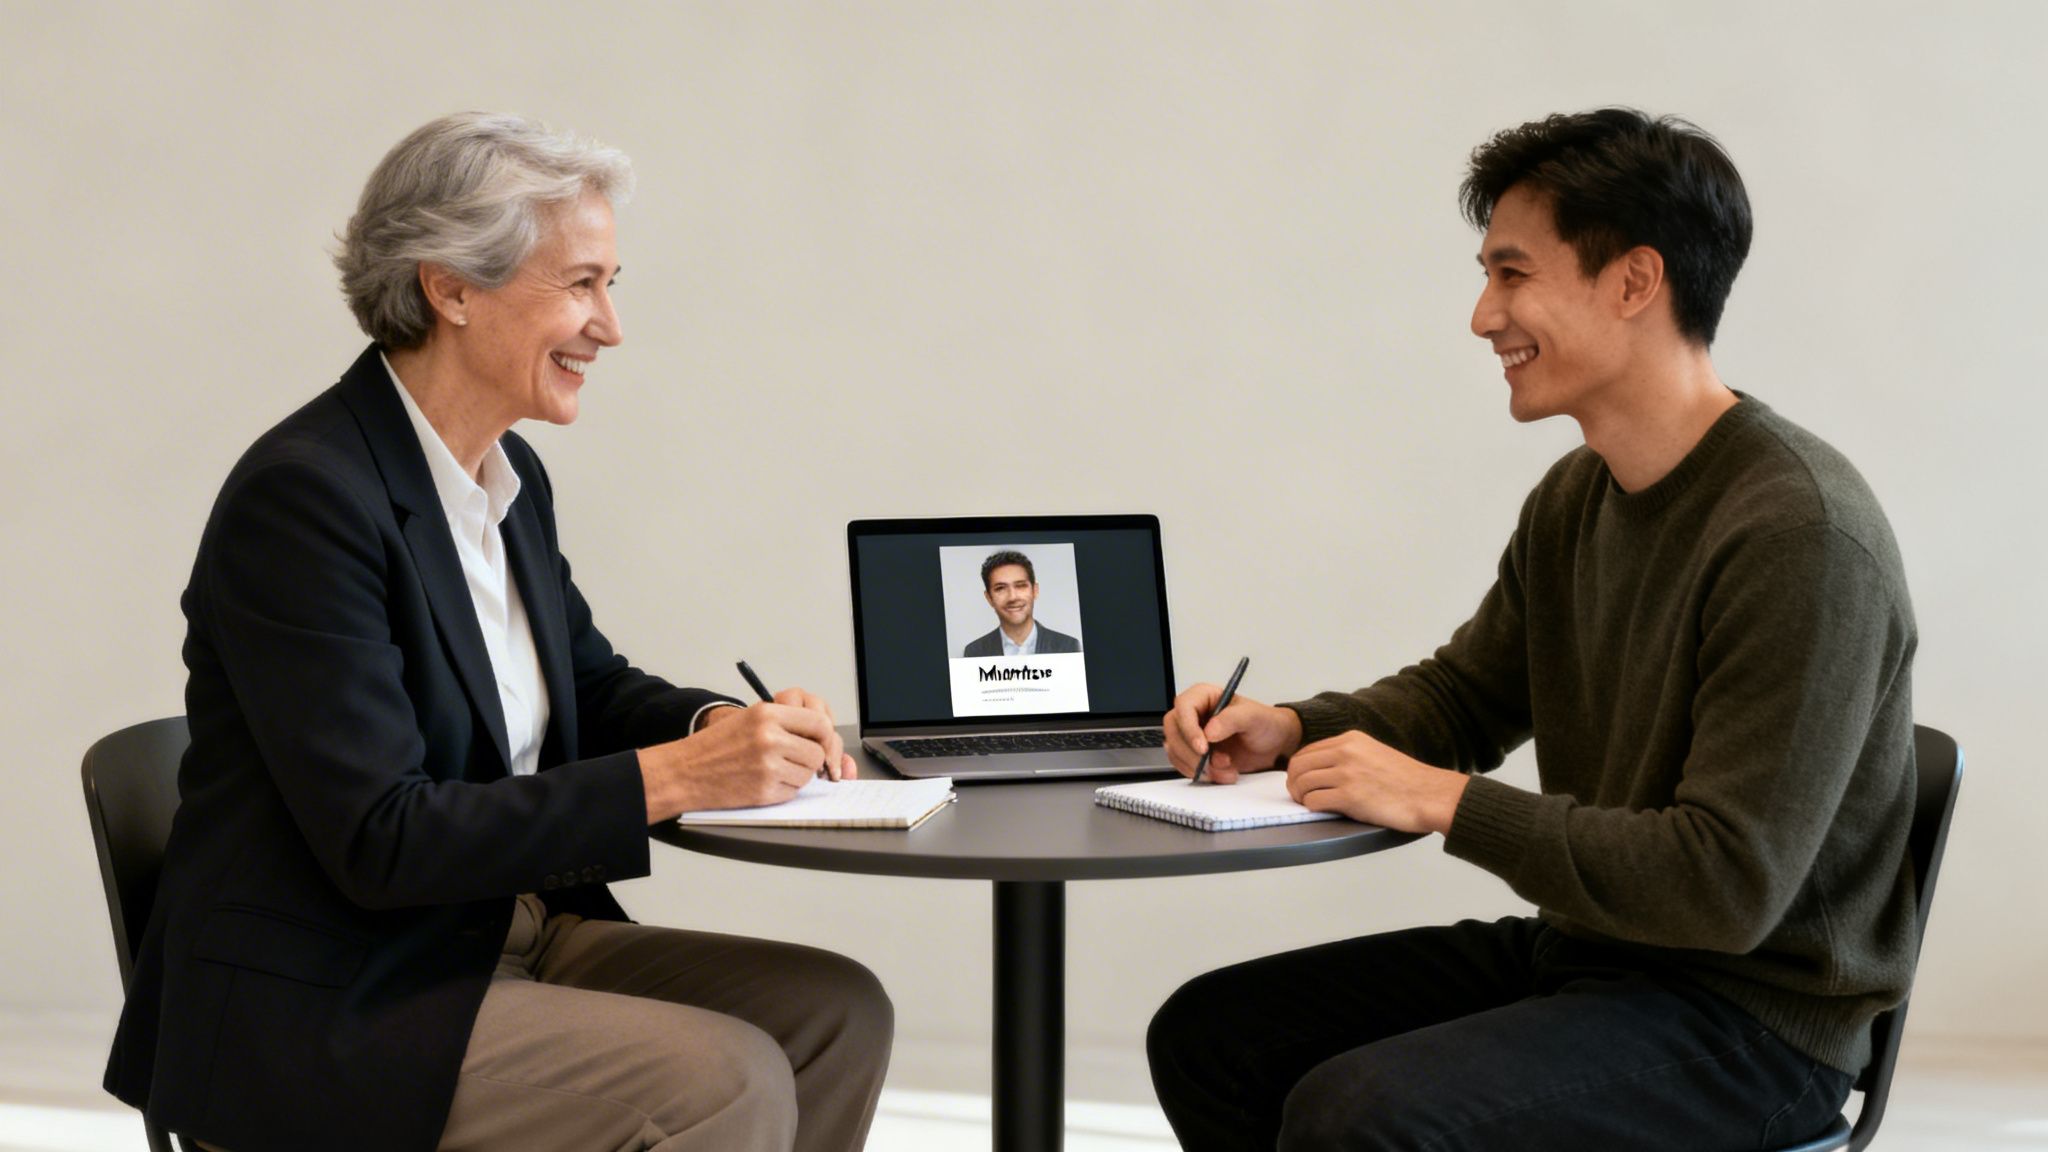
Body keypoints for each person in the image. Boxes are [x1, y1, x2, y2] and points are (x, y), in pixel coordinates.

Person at [103, 112, 892, 1152]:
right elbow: (383, 837)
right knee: (721, 1078)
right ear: (451, 287)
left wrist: (720, 728)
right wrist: (681, 780)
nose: (608, 326)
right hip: (334, 994)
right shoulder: (303, 501)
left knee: (834, 1015)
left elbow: (589, 685)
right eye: (580, 284)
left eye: (611, 284)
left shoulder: (503, 482)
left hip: (497, 934)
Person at [1148, 108, 1918, 1151]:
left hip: (1751, 1021)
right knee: (1212, 1035)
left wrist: (1441, 803)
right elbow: (1465, 698)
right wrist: (1290, 725)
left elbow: (1722, 886)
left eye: (1511, 275)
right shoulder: (1578, 496)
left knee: (1359, 1115)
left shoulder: (1800, 535)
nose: (1480, 315)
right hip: (1597, 953)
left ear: (1633, 282)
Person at [961, 549, 1082, 657]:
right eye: (1000, 588)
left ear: (1035, 591)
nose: (1012, 597)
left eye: (1020, 586)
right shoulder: (974, 652)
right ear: (989, 598)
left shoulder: (1068, 647)